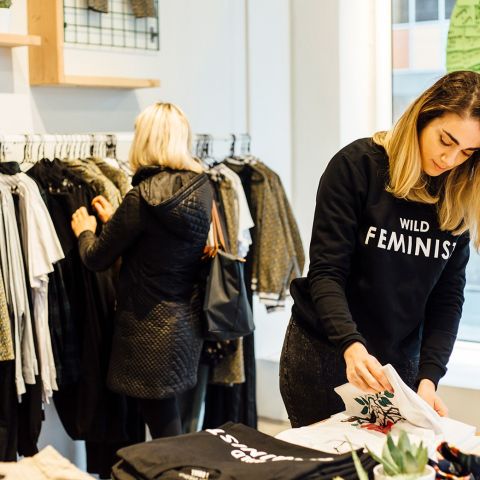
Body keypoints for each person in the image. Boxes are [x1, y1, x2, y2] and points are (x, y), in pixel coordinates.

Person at [280, 70, 480, 428]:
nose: (450, 159)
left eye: (467, 151)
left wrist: (429, 377)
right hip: (326, 352)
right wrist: (351, 346)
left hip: (398, 363)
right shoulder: (358, 167)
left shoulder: (457, 194)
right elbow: (327, 272)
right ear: (422, 116)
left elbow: (447, 298)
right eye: (445, 140)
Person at [71, 102, 213, 438]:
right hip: (183, 324)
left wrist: (85, 231)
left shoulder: (142, 197)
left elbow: (95, 258)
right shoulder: (202, 187)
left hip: (148, 329)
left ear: (146, 139)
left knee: (164, 431)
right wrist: (115, 221)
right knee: (168, 422)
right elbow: (163, 244)